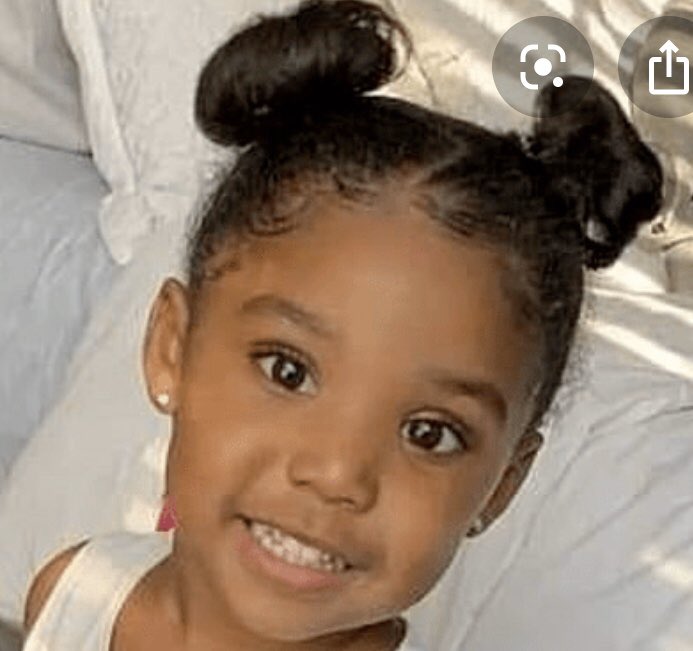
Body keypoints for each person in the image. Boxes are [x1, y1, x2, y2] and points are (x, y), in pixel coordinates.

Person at [20, 1, 663, 649]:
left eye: (430, 433)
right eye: (287, 371)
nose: (336, 472)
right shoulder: (76, 591)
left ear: (500, 486)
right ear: (172, 349)